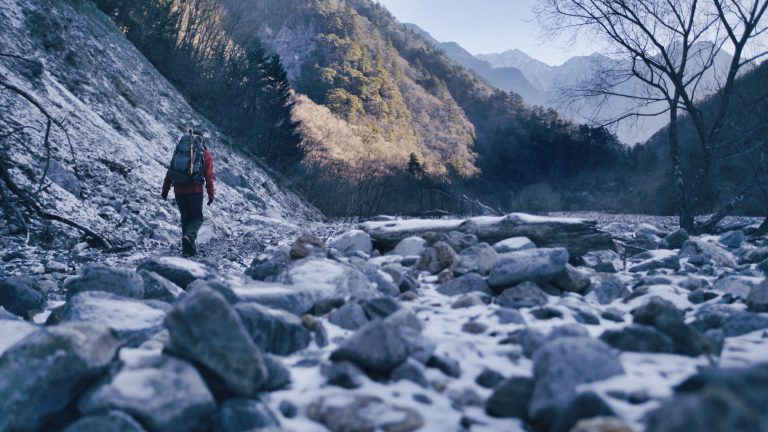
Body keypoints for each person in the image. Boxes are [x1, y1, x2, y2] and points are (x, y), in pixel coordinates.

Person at [161, 128, 215, 257]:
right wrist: (211, 194)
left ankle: (187, 249)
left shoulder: (179, 151)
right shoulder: (204, 153)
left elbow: (170, 170)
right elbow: (209, 176)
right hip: (195, 190)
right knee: (197, 217)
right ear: (202, 140)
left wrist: (165, 189)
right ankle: (189, 237)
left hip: (178, 189)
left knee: (185, 217)